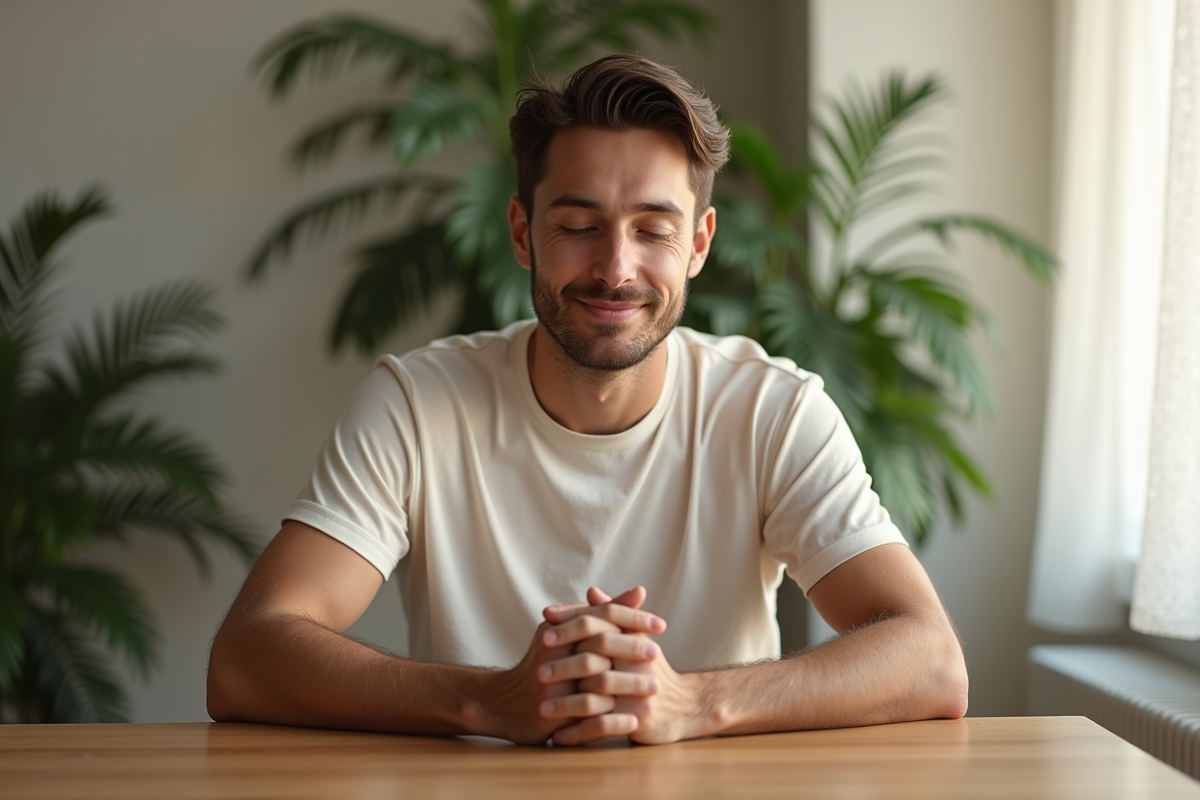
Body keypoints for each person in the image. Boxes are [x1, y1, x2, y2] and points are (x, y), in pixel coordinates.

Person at [207, 54, 968, 746]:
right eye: (578, 225)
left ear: (699, 244)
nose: (615, 268)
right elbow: (248, 655)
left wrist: (686, 704)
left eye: (653, 231)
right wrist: (490, 702)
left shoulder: (774, 412)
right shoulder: (416, 405)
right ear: (522, 232)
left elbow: (931, 661)